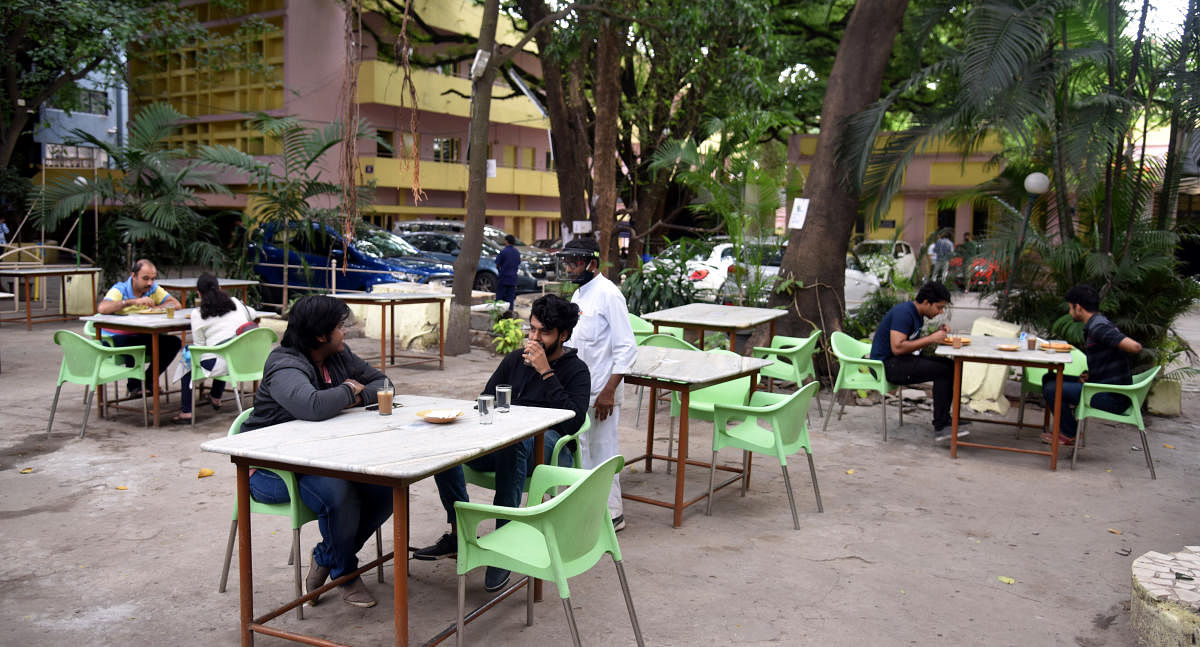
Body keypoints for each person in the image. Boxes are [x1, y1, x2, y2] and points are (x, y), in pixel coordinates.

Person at [412, 293, 591, 592]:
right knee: (442, 443)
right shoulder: (514, 361)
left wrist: (546, 371)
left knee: (513, 445)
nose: (534, 338)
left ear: (564, 335)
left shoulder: (576, 370)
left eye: (543, 333)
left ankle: (504, 547)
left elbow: (573, 422)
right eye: (531, 329)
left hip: (547, 445)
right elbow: (486, 398)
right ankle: (460, 533)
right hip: (503, 439)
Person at [241, 295, 393, 608]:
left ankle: (326, 556)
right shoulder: (284, 364)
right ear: (321, 335)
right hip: (271, 468)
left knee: (386, 489)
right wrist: (350, 390)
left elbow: (384, 384)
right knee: (339, 493)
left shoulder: (339, 355)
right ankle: (346, 573)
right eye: (340, 327)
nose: (346, 333)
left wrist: (344, 399)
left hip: (325, 459)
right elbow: (311, 406)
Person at [557, 236, 637, 531]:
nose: (569, 267)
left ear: (592, 263)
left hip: (602, 391)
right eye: (566, 261)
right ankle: (587, 511)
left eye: (574, 262)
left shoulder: (608, 295)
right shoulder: (579, 296)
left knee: (604, 453)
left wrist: (609, 391)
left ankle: (613, 514)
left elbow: (627, 348)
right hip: (580, 391)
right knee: (582, 452)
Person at [1040, 284, 1143, 446]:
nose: (1069, 312)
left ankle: (1070, 434)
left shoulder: (1098, 327)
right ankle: (1069, 429)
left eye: (1070, 308)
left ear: (1078, 307)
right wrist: (1091, 377)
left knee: (1052, 388)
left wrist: (1119, 341)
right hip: (1103, 388)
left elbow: (1135, 347)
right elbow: (1107, 356)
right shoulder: (1097, 322)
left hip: (1113, 397)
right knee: (1049, 378)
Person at [869, 281, 967, 443]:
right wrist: (931, 338)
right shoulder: (904, 313)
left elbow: (911, 346)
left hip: (899, 361)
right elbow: (898, 347)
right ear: (926, 302)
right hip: (886, 366)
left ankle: (947, 420)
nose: (940, 312)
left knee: (950, 365)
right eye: (939, 307)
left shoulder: (917, 315)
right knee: (945, 371)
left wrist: (937, 335)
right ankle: (941, 426)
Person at [170, 273, 254, 423]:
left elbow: (200, 345)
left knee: (190, 357)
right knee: (224, 348)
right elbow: (251, 314)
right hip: (246, 361)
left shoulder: (197, 314)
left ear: (198, 294)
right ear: (220, 288)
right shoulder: (236, 303)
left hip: (222, 362)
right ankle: (215, 396)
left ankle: (187, 411)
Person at [96, 259, 184, 397]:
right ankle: (135, 386)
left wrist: (156, 308)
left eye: (152, 279)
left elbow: (175, 304)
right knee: (132, 343)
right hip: (114, 339)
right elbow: (103, 308)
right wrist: (132, 302)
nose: (149, 283)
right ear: (134, 276)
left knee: (173, 343)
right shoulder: (120, 289)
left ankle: (149, 381)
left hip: (141, 333)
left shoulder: (152, 289)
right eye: (145, 279)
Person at [494, 234, 521, 313]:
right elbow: (518, 263)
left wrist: (500, 271)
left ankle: (498, 314)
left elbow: (497, 264)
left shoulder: (503, 251)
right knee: (510, 299)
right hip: (513, 279)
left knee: (499, 298)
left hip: (503, 277)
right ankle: (509, 315)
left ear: (506, 241)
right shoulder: (517, 252)